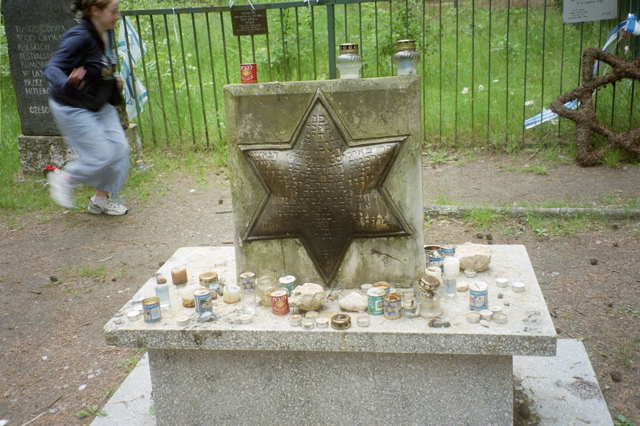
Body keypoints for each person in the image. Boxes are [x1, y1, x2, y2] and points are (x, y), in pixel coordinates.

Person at [44, 0, 129, 215]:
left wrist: (112, 80)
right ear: (95, 11)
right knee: (103, 156)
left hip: (99, 103)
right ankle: (64, 178)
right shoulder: (80, 37)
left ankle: (100, 199)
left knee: (119, 151)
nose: (117, 16)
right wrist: (67, 83)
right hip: (73, 105)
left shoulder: (104, 32)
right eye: (113, 11)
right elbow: (51, 67)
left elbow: (98, 65)